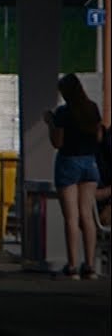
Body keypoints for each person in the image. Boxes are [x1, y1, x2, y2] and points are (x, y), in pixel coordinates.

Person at [44, 73, 104, 279]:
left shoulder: (62, 113)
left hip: (68, 162)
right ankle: (90, 266)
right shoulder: (92, 109)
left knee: (71, 217)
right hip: (90, 163)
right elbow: (98, 136)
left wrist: (50, 123)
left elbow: (57, 143)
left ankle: (72, 266)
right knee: (87, 215)